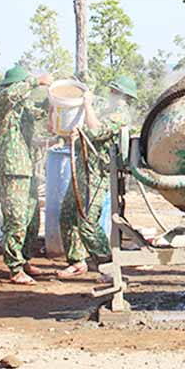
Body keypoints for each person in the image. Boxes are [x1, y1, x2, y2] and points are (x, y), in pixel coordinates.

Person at [57, 76, 136, 279]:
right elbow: (86, 133)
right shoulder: (105, 112)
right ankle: (77, 261)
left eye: (114, 92)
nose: (109, 95)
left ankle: (109, 267)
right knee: (67, 216)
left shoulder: (121, 116)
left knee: (87, 223)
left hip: (96, 176)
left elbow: (96, 131)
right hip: (83, 171)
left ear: (123, 97)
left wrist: (87, 105)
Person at [0, 65, 52, 284]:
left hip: (26, 168)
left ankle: (24, 259)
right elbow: (11, 94)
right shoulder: (2, 102)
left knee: (31, 218)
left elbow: (41, 112)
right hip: (10, 169)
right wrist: (37, 81)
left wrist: (53, 98)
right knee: (15, 219)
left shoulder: (22, 107)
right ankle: (14, 268)